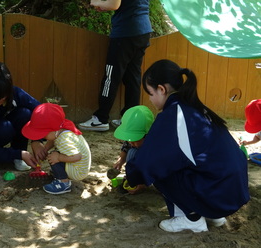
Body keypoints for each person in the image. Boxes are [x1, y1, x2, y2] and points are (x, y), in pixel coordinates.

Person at [125, 59, 250, 233]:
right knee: (183, 162)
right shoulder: (195, 107)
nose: (150, 99)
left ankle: (191, 218)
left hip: (218, 194)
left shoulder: (173, 114)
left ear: (162, 89)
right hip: (233, 190)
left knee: (163, 168)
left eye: (150, 93)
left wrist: (132, 178)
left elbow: (150, 161)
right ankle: (211, 215)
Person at [79, 0, 152, 131]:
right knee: (133, 78)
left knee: (111, 76)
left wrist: (95, 2)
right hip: (143, 30)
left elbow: (114, 4)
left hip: (125, 32)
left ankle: (100, 119)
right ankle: (130, 120)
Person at [22, 103, 91, 195]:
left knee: (53, 157)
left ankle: (63, 183)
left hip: (78, 170)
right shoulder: (61, 129)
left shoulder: (64, 140)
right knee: (54, 154)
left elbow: (77, 156)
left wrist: (58, 158)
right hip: (77, 164)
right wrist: (45, 148)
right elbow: (53, 139)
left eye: (44, 135)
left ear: (53, 130)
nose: (44, 138)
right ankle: (61, 172)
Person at [110, 105, 154, 194]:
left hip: (155, 166)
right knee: (132, 152)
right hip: (142, 158)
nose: (131, 143)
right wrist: (121, 160)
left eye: (135, 140)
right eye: (130, 140)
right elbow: (126, 145)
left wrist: (144, 183)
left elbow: (159, 167)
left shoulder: (157, 143)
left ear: (147, 135)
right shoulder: (131, 142)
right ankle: (133, 179)